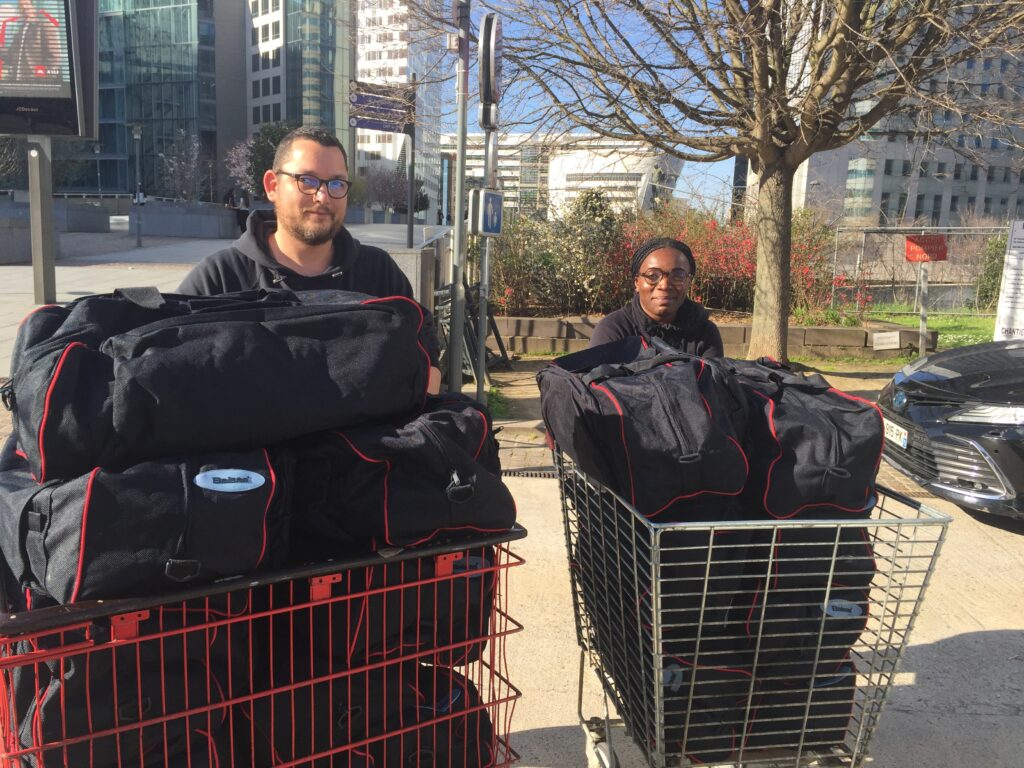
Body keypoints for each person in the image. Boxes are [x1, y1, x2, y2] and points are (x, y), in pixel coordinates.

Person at [179, 126, 441, 393]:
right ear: (272, 186)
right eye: (307, 180)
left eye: (336, 183)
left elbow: (426, 358)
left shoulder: (379, 272)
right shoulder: (219, 279)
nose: (322, 197)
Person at [589, 237, 723, 357]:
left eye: (678, 276)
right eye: (652, 276)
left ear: (688, 281)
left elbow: (712, 383)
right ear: (637, 282)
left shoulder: (705, 333)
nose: (664, 285)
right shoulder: (613, 330)